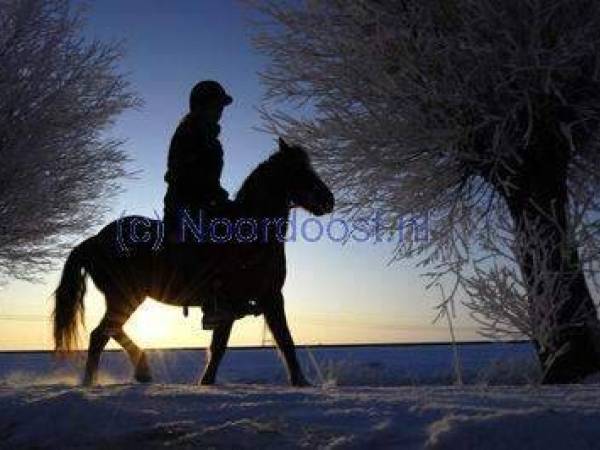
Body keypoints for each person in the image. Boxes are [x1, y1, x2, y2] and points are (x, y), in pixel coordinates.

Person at [162, 80, 234, 329]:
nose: (220, 111)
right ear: (202, 106)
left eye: (221, 107)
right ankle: (211, 304)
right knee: (210, 238)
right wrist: (210, 194)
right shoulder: (190, 132)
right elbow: (182, 173)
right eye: (217, 105)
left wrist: (220, 196)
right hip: (184, 202)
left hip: (205, 200)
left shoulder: (210, 138)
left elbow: (210, 179)